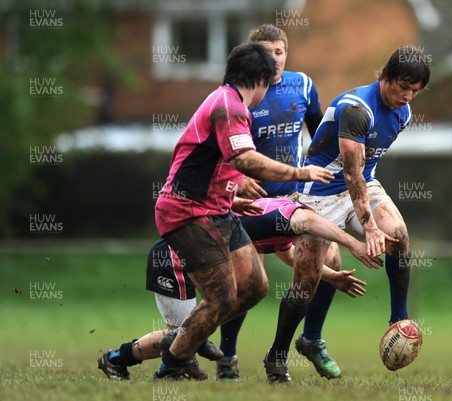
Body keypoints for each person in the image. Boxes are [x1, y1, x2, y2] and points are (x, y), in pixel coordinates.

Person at [151, 42, 334, 380]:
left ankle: (188, 334)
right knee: (222, 297)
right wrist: (299, 172)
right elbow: (245, 161)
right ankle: (172, 364)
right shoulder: (228, 106)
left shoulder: (231, 103)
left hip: (217, 210)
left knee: (255, 286)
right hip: (186, 212)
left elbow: (221, 165)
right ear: (262, 79)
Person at [263, 45, 431, 382]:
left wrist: (372, 220)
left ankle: (398, 320)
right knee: (305, 284)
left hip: (361, 185)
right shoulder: (357, 109)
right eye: (403, 87)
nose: (408, 96)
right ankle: (277, 355)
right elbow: (350, 172)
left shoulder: (404, 113)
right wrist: (368, 227)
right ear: (386, 77)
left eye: (415, 91)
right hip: (321, 192)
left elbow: (363, 175)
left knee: (398, 235)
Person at [97, 197, 378, 381]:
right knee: (182, 334)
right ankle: (118, 358)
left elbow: (292, 257)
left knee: (185, 333)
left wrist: (331, 278)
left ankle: (127, 361)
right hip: (174, 258)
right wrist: (354, 242)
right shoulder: (294, 213)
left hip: (193, 259)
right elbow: (311, 222)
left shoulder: (282, 228)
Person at [219, 24, 344, 381]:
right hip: (252, 203)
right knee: (248, 284)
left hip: (293, 198)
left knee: (328, 262)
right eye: (264, 52)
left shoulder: (303, 85)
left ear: (286, 53)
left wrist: (338, 168)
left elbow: (322, 135)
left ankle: (310, 339)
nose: (273, 59)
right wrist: (239, 178)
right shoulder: (236, 95)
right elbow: (222, 150)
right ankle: (227, 356)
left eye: (278, 51)